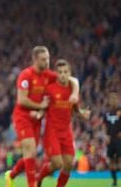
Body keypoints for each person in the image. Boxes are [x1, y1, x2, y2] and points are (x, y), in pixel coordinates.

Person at [5, 46, 79, 187]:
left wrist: (75, 92)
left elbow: (73, 80)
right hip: (23, 116)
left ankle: (12, 174)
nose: (47, 62)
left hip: (37, 119)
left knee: (30, 153)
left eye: (48, 58)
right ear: (35, 59)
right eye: (44, 59)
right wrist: (41, 106)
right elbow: (21, 100)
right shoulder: (25, 75)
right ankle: (32, 184)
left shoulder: (48, 75)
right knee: (30, 149)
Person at [36, 59, 90, 187]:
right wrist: (38, 114)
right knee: (57, 163)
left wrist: (82, 114)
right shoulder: (50, 89)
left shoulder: (72, 90)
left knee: (69, 165)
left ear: (69, 73)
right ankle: (39, 177)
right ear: (56, 73)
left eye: (65, 72)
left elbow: (75, 109)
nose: (63, 75)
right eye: (60, 72)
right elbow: (43, 107)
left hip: (66, 131)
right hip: (52, 131)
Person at [104, 92, 120, 187]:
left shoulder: (120, 110)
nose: (112, 100)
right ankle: (114, 182)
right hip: (110, 139)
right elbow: (106, 126)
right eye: (111, 98)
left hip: (119, 139)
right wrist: (106, 136)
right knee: (111, 161)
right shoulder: (107, 113)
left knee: (119, 160)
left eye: (114, 98)